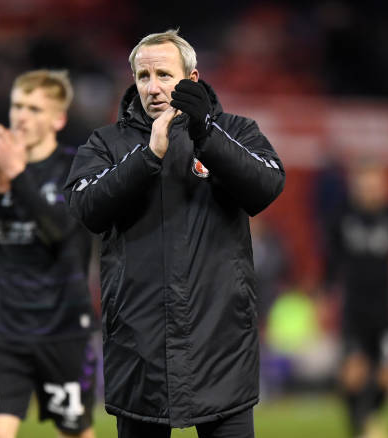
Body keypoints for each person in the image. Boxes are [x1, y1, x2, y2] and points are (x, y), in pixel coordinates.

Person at [65, 30, 285, 438]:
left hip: (220, 348)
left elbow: (267, 186)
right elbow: (85, 208)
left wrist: (206, 134)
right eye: (143, 76)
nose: (152, 87)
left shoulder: (234, 131)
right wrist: (148, 156)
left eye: (165, 75)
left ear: (192, 79)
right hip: (138, 352)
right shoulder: (105, 144)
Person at [0, 70, 96, 438]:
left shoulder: (77, 166)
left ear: (58, 119)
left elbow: (60, 233)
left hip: (63, 330)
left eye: (34, 109)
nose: (21, 116)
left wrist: (17, 176)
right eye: (17, 105)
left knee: (75, 433)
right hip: (8, 331)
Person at [321, 161, 388, 438]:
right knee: (353, 374)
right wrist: (326, 295)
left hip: (386, 309)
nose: (369, 191)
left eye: (375, 185)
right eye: (364, 185)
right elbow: (330, 261)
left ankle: (368, 418)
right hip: (354, 309)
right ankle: (363, 425)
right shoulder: (342, 215)